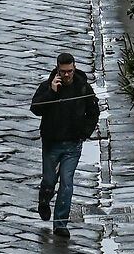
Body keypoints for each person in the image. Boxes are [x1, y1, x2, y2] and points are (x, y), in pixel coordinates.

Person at [30, 51, 100, 232]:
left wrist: (84, 133)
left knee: (67, 183)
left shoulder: (83, 88)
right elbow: (35, 108)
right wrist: (51, 93)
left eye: (70, 71)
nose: (67, 75)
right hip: (51, 143)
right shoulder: (47, 86)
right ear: (58, 70)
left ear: (74, 68)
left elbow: (93, 112)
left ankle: (60, 224)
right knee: (49, 180)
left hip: (73, 144)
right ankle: (44, 200)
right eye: (63, 71)